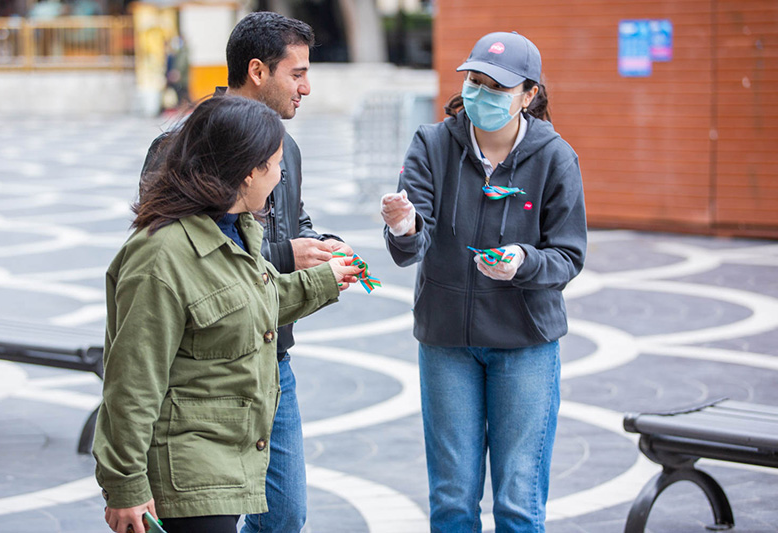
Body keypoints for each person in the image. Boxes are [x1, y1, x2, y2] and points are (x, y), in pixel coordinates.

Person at [93, 96, 362, 533]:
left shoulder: (237, 229)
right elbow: (132, 382)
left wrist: (326, 280)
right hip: (187, 471)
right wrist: (125, 483)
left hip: (231, 453)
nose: (280, 176)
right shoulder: (160, 255)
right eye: (276, 164)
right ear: (247, 171)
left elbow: (250, 303)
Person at [139, 12, 353, 533]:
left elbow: (293, 220)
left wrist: (321, 246)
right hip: (203, 375)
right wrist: (286, 255)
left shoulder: (287, 145)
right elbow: (177, 255)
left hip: (272, 360)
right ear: (257, 71)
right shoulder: (179, 146)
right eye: (297, 73)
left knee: (285, 516)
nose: (306, 87)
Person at [381, 31, 587, 532]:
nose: (481, 94)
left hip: (525, 343)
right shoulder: (432, 144)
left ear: (528, 95)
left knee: (518, 501)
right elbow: (411, 248)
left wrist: (524, 262)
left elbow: (568, 256)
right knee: (452, 500)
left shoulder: (555, 157)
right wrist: (404, 226)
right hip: (446, 341)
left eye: (497, 87)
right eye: (474, 81)